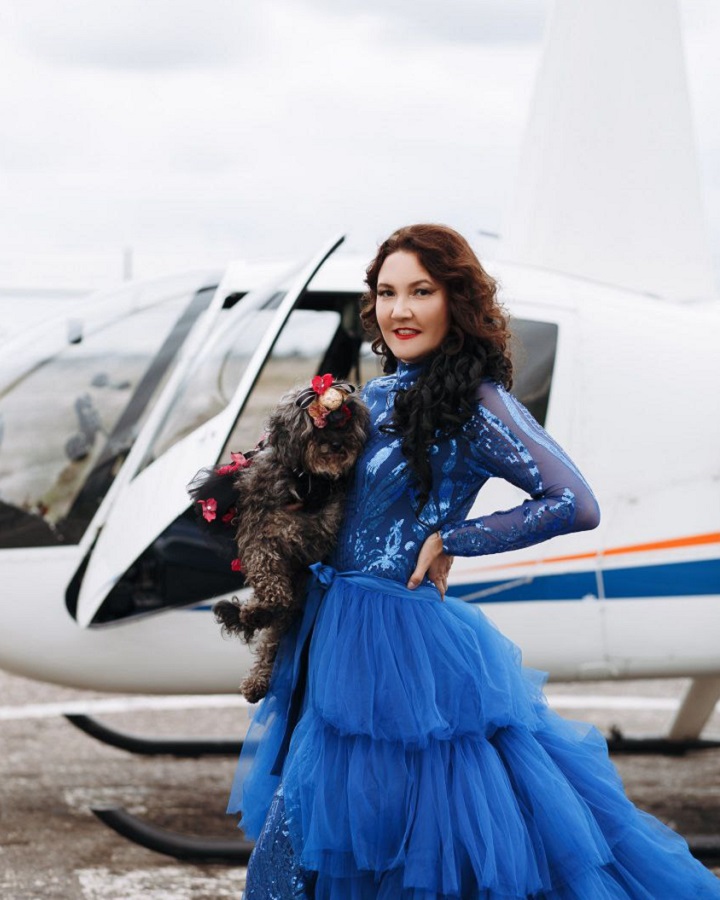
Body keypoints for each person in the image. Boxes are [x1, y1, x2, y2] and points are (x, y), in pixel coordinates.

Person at [231, 224, 720, 898]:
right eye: (386, 293)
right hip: (329, 631)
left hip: (397, 650)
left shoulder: (479, 405)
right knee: (304, 852)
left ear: (455, 301)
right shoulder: (374, 398)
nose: (399, 310)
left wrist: (455, 539)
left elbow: (573, 502)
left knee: (398, 853)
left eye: (420, 292)